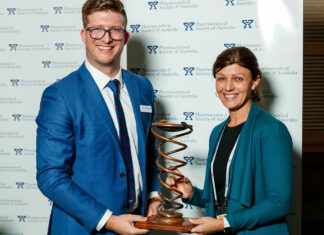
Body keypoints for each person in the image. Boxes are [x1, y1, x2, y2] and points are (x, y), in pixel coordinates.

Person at [36, 0, 161, 234]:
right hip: (82, 229)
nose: (106, 38)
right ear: (84, 35)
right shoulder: (60, 95)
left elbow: (150, 149)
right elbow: (51, 177)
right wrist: (109, 220)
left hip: (139, 226)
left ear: (125, 37)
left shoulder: (143, 88)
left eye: (115, 30)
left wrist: (154, 196)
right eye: (97, 30)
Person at [167, 47, 293, 234]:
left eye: (238, 78)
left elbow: (279, 203)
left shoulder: (271, 130)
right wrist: (192, 193)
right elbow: (224, 202)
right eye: (221, 78)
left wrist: (224, 223)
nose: (228, 87)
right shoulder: (217, 132)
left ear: (254, 82)